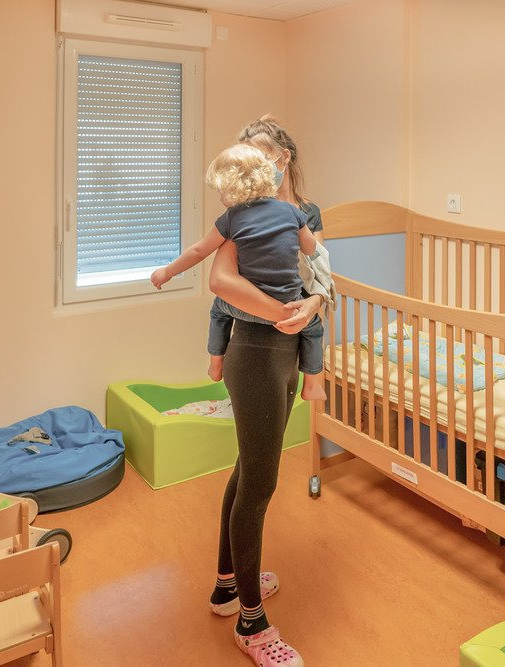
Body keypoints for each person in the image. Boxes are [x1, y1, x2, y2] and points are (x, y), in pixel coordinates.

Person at [201, 116, 330, 667]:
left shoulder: (306, 213)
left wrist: (314, 304)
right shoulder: (243, 214)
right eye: (245, 155)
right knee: (260, 482)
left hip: (287, 353)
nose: (252, 166)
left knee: (248, 469)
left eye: (261, 155)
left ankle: (227, 586)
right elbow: (221, 282)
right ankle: (252, 624)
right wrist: (286, 311)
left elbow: (321, 280)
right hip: (254, 351)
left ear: (282, 159)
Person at [150, 143, 327, 403]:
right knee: (313, 326)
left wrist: (167, 271)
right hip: (291, 306)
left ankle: (216, 362)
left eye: (221, 190)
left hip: (247, 309)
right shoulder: (292, 211)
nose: (221, 196)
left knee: (219, 310)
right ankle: (311, 384)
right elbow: (312, 248)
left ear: (233, 186)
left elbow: (199, 251)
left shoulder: (232, 218)